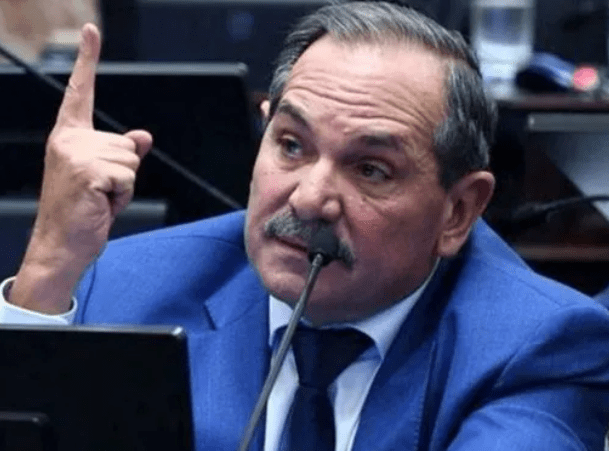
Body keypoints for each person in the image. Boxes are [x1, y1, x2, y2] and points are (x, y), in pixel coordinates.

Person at [1, 1, 609, 450]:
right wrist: (47, 273)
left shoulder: (538, 349)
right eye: (291, 145)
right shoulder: (126, 287)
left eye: (370, 169)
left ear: (458, 212)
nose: (311, 196)